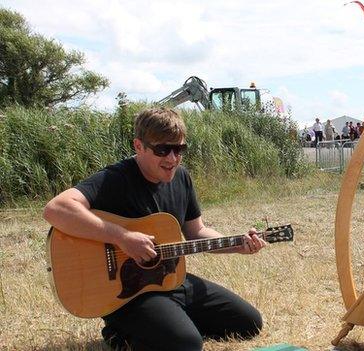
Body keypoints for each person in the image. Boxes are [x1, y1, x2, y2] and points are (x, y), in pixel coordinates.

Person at [42, 108, 266, 351]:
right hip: (128, 295)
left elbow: (197, 232)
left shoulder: (182, 178)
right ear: (139, 146)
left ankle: (169, 325)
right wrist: (122, 237)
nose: (172, 158)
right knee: (188, 345)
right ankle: (121, 332)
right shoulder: (116, 179)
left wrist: (238, 245)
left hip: (172, 279)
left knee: (249, 323)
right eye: (162, 150)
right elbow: (56, 209)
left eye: (179, 149)